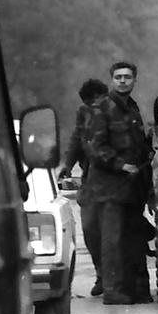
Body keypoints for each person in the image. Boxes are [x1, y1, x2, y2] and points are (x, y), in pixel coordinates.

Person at [82, 60, 154, 305]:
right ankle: (113, 291)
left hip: (132, 187)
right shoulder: (103, 108)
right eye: (119, 77)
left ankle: (137, 289)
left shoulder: (131, 108)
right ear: (112, 80)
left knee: (134, 239)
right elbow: (95, 147)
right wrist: (121, 165)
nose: (123, 81)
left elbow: (139, 146)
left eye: (127, 77)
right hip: (110, 187)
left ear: (134, 80)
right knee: (112, 241)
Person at [59, 78, 109, 297]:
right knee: (90, 227)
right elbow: (77, 139)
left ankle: (118, 277)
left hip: (116, 178)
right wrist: (67, 165)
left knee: (116, 232)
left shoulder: (117, 111)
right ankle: (102, 274)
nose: (94, 106)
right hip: (91, 178)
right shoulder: (84, 114)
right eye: (90, 103)